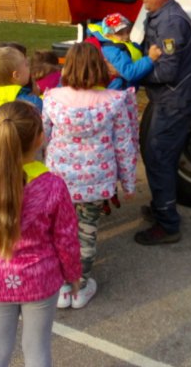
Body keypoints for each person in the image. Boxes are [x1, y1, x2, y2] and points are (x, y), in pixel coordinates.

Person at [0, 100, 81, 367]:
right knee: (37, 350)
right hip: (41, 280)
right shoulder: (53, 186)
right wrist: (73, 274)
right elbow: (67, 238)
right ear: (39, 139)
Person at [42, 42, 138, 309]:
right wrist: (129, 183)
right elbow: (124, 145)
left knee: (59, 232)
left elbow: (42, 137)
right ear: (100, 67)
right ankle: (79, 287)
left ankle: (61, 288)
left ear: (68, 67)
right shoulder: (115, 101)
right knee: (87, 233)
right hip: (96, 184)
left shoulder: (52, 98)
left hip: (59, 182)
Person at [129, 0, 191, 245]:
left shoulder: (170, 22)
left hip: (173, 101)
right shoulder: (160, 15)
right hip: (167, 99)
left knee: (159, 158)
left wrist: (133, 74)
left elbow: (167, 71)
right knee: (153, 154)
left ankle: (168, 225)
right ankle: (161, 208)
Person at [85, 12, 162, 89]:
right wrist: (150, 59)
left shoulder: (121, 44)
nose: (125, 36)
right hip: (116, 93)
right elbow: (129, 73)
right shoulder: (112, 50)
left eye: (127, 31)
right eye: (120, 33)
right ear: (108, 35)